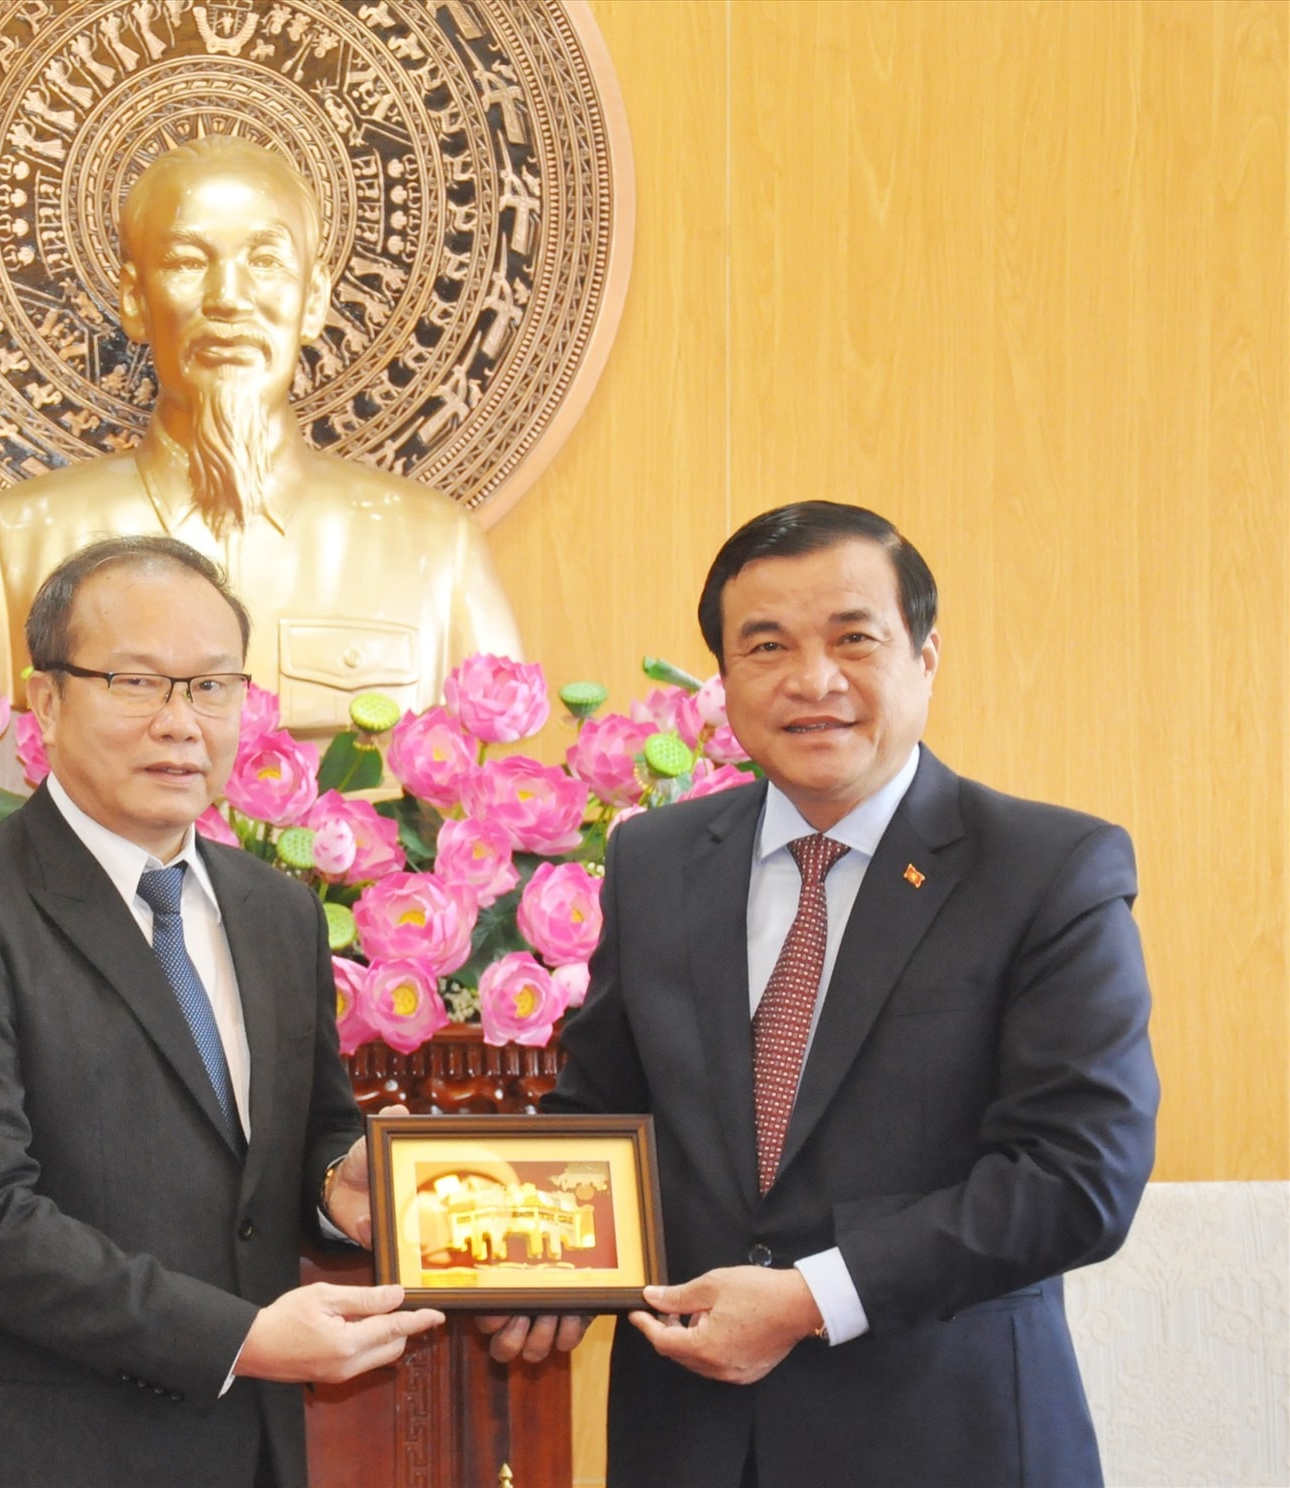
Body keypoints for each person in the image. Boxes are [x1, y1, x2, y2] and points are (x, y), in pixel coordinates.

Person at [487, 502, 1158, 1487]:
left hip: (947, 1437)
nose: (812, 680)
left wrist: (810, 1298)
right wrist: (517, 1255)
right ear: (724, 681)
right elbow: (603, 1113)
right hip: (690, 1441)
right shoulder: (655, 859)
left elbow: (1077, 1178)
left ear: (925, 658)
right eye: (768, 646)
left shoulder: (1048, 868)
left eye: (854, 640)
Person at [0, 535, 443, 1487]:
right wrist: (243, 1338)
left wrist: (342, 1188)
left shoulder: (277, 910)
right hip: (34, 1452)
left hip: (247, 1451)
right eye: (136, 681)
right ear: (44, 701)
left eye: (212, 687)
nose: (181, 723)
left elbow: (304, 1141)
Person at [0, 136, 521, 734]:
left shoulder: (441, 552)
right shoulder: (11, 548)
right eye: (186, 262)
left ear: (313, 300)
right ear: (136, 298)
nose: (229, 299)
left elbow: (494, 800)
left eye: (265, 262)